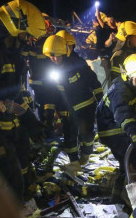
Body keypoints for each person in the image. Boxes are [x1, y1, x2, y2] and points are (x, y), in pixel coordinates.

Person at [0, 0, 47, 200]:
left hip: (7, 128)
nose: (27, 40)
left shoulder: (8, 54)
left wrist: (30, 122)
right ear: (15, 27)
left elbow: (10, 98)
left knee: (18, 174)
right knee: (9, 183)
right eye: (26, 35)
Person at [96, 54, 136, 202]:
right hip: (113, 131)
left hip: (120, 129)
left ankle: (117, 197)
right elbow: (122, 115)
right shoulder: (121, 90)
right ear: (127, 76)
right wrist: (135, 134)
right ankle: (131, 198)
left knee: (126, 165)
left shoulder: (131, 86)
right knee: (132, 162)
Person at [43, 35, 103, 167]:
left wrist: (101, 100)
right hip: (67, 110)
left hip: (86, 106)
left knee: (86, 135)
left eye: (57, 55)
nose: (54, 59)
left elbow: (93, 80)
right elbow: (51, 93)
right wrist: (49, 111)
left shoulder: (77, 63)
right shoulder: (50, 69)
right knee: (69, 137)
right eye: (51, 56)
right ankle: (74, 162)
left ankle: (85, 155)